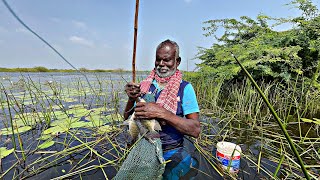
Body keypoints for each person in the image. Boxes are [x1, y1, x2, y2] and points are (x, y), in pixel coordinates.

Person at [124, 39, 200, 179]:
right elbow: (127, 119)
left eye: (167, 60)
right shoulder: (144, 86)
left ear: (177, 62)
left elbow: (195, 130)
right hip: (145, 149)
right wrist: (130, 99)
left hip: (172, 149)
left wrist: (162, 113)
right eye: (158, 60)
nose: (161, 64)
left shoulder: (185, 88)